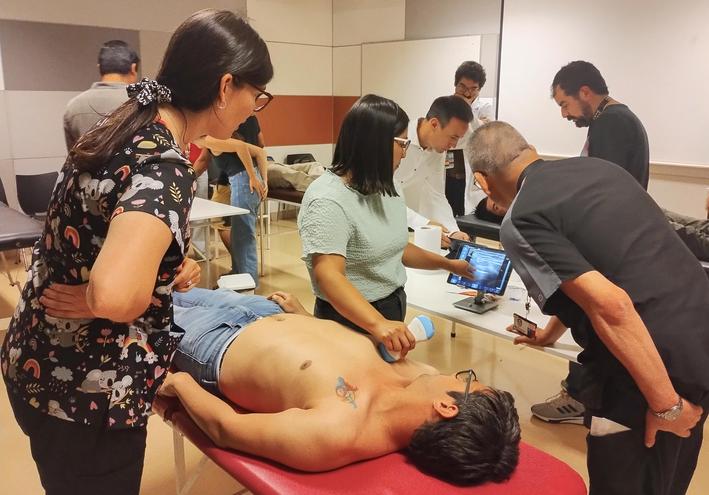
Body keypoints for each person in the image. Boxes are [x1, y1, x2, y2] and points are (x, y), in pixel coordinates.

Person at [1, 10, 273, 495]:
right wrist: (102, 297)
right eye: (258, 96)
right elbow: (115, 295)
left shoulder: (123, 124)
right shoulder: (164, 165)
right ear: (226, 86)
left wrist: (161, 267)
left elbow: (96, 224)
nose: (255, 110)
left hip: (35, 358)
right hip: (86, 394)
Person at [468, 121, 709, 495]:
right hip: (698, 332)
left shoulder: (520, 218)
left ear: (483, 181)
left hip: (647, 360)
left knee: (630, 476)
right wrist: (549, 333)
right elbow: (593, 274)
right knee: (671, 469)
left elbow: (612, 306)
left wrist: (666, 406)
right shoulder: (601, 170)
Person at [152, 287, 520, 486]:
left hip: (214, 341)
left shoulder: (336, 432)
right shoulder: (418, 373)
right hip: (262, 310)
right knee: (167, 280)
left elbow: (225, 429)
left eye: (466, 380)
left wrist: (177, 383)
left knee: (137, 296)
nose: (457, 374)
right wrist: (304, 318)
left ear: (446, 406)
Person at [298, 94, 475, 359]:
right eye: (402, 144)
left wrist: (448, 265)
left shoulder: (387, 187)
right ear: (375, 143)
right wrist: (377, 324)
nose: (406, 152)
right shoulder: (328, 199)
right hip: (348, 317)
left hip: (390, 308)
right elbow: (329, 276)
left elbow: (396, 246)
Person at [532, 60, 651, 425]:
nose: (565, 114)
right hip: (615, 240)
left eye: (564, 104)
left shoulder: (611, 124)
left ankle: (582, 399)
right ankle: (583, 396)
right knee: (592, 319)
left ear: (585, 92)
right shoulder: (617, 120)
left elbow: (599, 192)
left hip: (607, 242)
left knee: (596, 323)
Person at [195, 121, 270, 283]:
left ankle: (248, 283)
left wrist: (254, 178)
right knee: (238, 234)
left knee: (243, 234)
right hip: (243, 181)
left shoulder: (209, 140)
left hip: (244, 182)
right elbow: (260, 151)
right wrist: (263, 180)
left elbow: (241, 147)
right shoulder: (214, 141)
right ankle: (239, 274)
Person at [394, 95, 473, 248]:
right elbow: (383, 197)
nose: (454, 145)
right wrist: (424, 223)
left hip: (411, 226)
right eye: (453, 137)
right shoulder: (398, 139)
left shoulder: (437, 150)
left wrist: (451, 231)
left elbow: (436, 193)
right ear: (434, 124)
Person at [63, 40, 140, 151]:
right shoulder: (142, 104)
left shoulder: (73, 107)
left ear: (99, 67)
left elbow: (73, 156)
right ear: (133, 68)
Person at [447, 61, 495, 216]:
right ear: (456, 84)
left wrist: (467, 107)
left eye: (473, 88)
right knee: (446, 207)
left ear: (479, 89)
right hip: (447, 165)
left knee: (466, 211)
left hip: (468, 167)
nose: (467, 92)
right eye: (463, 87)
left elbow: (482, 134)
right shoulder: (445, 104)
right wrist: (476, 124)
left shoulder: (485, 107)